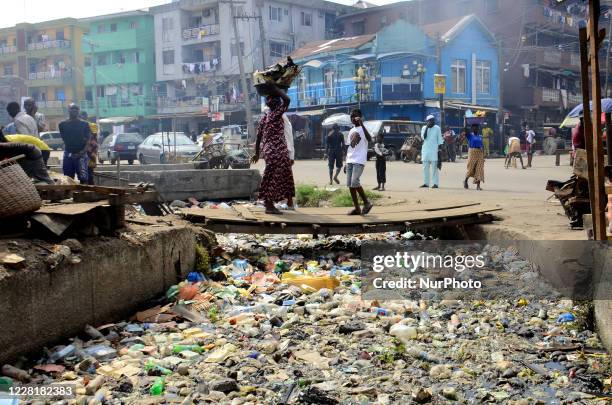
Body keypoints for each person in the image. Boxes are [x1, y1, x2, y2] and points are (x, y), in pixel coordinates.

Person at [252, 83, 295, 214]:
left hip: (269, 151)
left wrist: (257, 153)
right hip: (277, 150)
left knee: (273, 176)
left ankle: (276, 202)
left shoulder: (264, 118)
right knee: (276, 177)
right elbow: (287, 100)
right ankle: (270, 205)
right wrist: (276, 89)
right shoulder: (276, 114)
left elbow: (258, 137)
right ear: (276, 104)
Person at [344, 108, 373, 215]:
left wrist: (362, 124)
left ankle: (366, 203)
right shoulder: (351, 130)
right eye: (351, 116)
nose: (353, 118)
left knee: (355, 182)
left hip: (359, 160)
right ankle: (357, 208)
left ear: (360, 117)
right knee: (350, 185)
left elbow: (369, 139)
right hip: (350, 160)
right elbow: (349, 147)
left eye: (355, 116)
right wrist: (345, 162)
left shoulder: (364, 129)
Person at [59, 104, 91, 183]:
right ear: (68, 110)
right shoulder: (62, 124)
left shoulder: (85, 124)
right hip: (68, 154)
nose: (74, 110)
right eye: (72, 108)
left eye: (76, 108)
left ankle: (83, 194)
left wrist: (82, 152)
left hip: (81, 155)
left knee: (83, 179)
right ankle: (69, 195)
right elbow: (64, 138)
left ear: (78, 111)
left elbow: (88, 140)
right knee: (67, 178)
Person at [420, 115, 444, 189]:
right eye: (430, 120)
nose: (432, 122)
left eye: (433, 120)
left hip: (434, 151)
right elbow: (424, 137)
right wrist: (427, 127)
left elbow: (440, 140)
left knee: (434, 168)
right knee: (425, 168)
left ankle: (435, 183)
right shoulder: (424, 128)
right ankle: (426, 183)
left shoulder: (437, 128)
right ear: (427, 122)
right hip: (425, 150)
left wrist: (440, 150)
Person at [463, 123, 485, 190]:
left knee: (480, 169)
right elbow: (465, 130)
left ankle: (478, 186)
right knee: (470, 168)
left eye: (477, 127)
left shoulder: (480, 136)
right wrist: (466, 123)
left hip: (480, 153)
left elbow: (482, 146)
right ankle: (465, 180)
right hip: (472, 152)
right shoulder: (470, 135)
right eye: (474, 127)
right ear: (472, 129)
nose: (476, 128)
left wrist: (483, 155)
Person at [80, 111, 98, 185]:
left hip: (91, 150)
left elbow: (92, 134)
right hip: (83, 150)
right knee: (83, 171)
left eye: (82, 117)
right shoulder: (80, 125)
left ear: (86, 117)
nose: (81, 118)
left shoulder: (92, 125)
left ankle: (91, 188)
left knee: (89, 171)